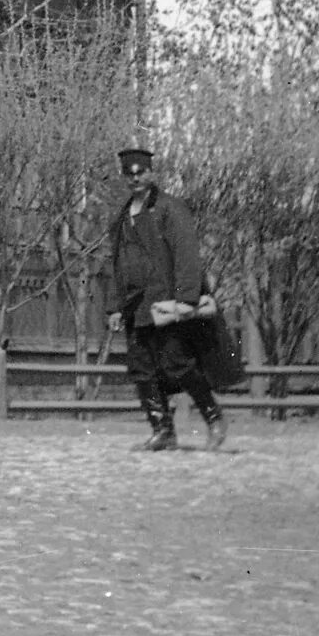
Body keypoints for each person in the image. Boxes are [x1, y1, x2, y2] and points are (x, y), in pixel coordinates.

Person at [108, 143, 228, 454]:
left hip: (166, 303)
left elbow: (186, 254)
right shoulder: (122, 217)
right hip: (137, 305)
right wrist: (117, 307)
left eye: (140, 172)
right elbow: (118, 262)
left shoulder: (170, 208)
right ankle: (162, 431)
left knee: (177, 363)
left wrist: (186, 299)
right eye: (129, 174)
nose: (134, 178)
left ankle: (214, 418)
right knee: (142, 369)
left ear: (151, 173)